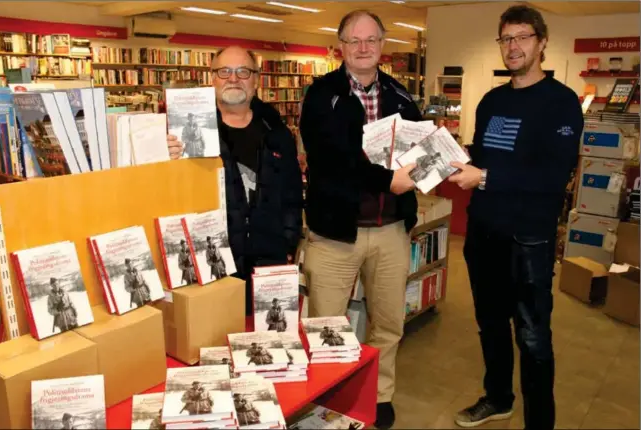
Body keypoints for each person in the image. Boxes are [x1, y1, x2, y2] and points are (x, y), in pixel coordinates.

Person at [446, 5, 584, 430]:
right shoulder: (491, 100)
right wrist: (450, 158)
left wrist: (483, 176)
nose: (514, 46)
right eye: (506, 38)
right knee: (490, 324)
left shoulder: (561, 104)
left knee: (533, 336)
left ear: (542, 43)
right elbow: (483, 157)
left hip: (529, 240)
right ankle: (499, 398)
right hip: (484, 232)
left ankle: (540, 422)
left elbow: (552, 175)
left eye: (523, 37)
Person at [298, 9, 421, 429]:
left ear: (383, 46)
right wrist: (390, 179)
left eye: (371, 40)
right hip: (333, 234)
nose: (364, 48)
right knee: (325, 326)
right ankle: (325, 398)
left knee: (388, 323)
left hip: (390, 231)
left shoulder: (402, 96)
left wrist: (435, 166)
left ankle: (379, 394)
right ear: (341, 47)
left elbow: (419, 151)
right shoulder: (321, 95)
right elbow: (333, 160)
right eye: (355, 40)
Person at [167, 46, 303, 316]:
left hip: (269, 258)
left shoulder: (277, 133)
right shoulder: (185, 136)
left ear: (256, 80)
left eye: (243, 71)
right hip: (214, 260)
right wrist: (167, 159)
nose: (233, 79)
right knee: (215, 336)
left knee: (268, 339)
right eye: (224, 71)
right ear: (212, 78)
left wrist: (288, 243)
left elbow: (292, 194)